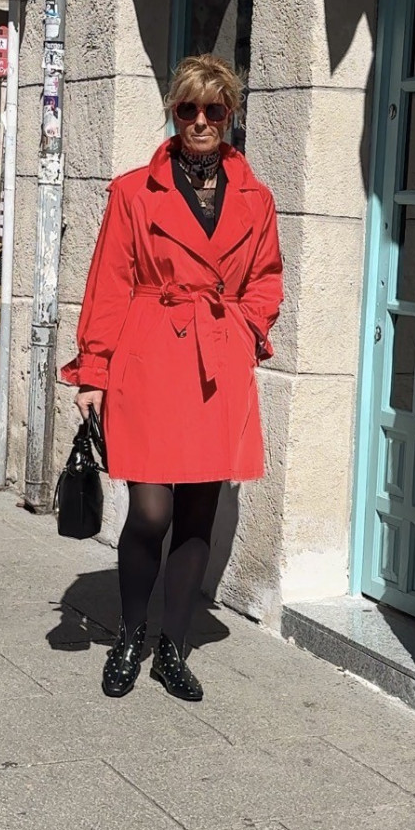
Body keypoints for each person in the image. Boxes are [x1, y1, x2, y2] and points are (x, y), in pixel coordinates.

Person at [61, 54, 284, 702]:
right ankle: (130, 634)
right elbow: (109, 284)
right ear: (173, 112)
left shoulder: (256, 198)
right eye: (188, 108)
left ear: (230, 114)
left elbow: (266, 279)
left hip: (218, 365)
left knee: (196, 515)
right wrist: (93, 371)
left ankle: (172, 649)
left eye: (214, 109)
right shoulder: (134, 192)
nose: (201, 121)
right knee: (151, 511)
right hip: (150, 357)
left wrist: (243, 330)